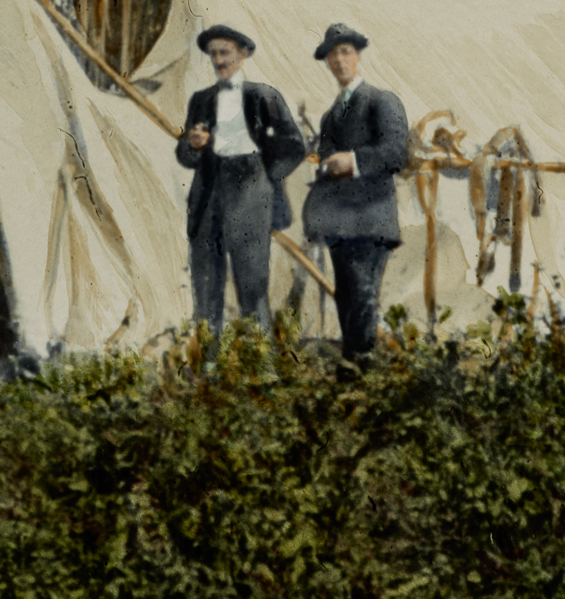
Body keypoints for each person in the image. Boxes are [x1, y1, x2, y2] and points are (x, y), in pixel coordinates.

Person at [175, 23, 306, 337]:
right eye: (214, 53)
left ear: (242, 54)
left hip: (250, 198)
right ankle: (205, 366)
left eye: (226, 52)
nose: (220, 59)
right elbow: (184, 155)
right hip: (208, 201)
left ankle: (259, 367)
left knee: (252, 288)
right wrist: (193, 144)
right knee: (205, 291)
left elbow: (294, 145)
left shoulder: (263, 95)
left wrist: (265, 175)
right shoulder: (201, 100)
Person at [301, 22, 409, 363]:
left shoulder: (382, 101)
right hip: (339, 224)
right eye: (332, 56)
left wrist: (354, 161)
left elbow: (396, 154)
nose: (339, 61)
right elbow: (326, 163)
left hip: (371, 220)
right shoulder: (331, 116)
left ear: (357, 56)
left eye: (345, 52)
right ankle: (352, 368)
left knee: (362, 296)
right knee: (346, 296)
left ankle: (361, 366)